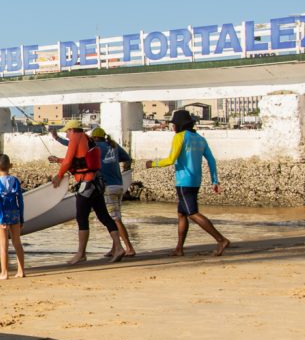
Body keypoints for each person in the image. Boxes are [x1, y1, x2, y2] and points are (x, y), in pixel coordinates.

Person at [145, 109, 230, 256]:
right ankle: (179, 248)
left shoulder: (180, 137)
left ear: (179, 125)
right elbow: (211, 160)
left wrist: (152, 164)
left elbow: (171, 159)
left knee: (192, 213)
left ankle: (221, 240)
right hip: (196, 180)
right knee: (182, 214)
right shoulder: (200, 138)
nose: (173, 127)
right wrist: (214, 181)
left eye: (174, 124)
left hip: (184, 181)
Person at [51, 126, 136, 257]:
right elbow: (126, 157)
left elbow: (72, 148)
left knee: (114, 219)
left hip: (106, 186)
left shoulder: (94, 146)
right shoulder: (113, 146)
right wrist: (111, 161)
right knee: (111, 217)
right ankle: (116, 248)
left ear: (94, 138)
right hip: (119, 185)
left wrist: (57, 139)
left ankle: (128, 248)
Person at [0, 154, 26, 279]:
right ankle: (21, 271)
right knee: (17, 242)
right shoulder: (15, 181)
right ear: (10, 165)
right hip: (15, 214)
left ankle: (4, 273)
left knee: (3, 244)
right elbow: (20, 201)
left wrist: (1, 220)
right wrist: (21, 218)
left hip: (2, 215)